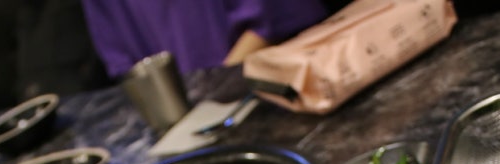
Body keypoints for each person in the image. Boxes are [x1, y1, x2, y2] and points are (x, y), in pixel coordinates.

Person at [79, 0, 330, 78]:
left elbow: (271, 20)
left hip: (271, 84)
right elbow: (123, 63)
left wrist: (217, 87)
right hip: (184, 124)